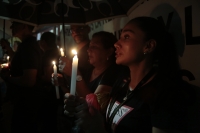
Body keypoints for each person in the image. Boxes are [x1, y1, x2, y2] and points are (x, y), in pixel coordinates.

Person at [63, 17, 196, 133]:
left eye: (126, 37)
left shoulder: (167, 95)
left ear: (148, 46)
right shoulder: (122, 81)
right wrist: (85, 111)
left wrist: (98, 130)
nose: (116, 44)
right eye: (120, 37)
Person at [1, 21, 43, 133]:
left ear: (24, 25)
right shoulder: (27, 44)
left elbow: (29, 80)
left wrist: (7, 78)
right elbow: (21, 61)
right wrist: (8, 48)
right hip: (25, 101)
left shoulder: (28, 46)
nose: (11, 27)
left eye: (14, 24)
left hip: (26, 103)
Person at [38, 31, 60, 132]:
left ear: (43, 42)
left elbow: (48, 76)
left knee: (49, 122)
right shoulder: (57, 52)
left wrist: (36, 76)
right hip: (57, 91)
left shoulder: (48, 55)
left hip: (49, 93)